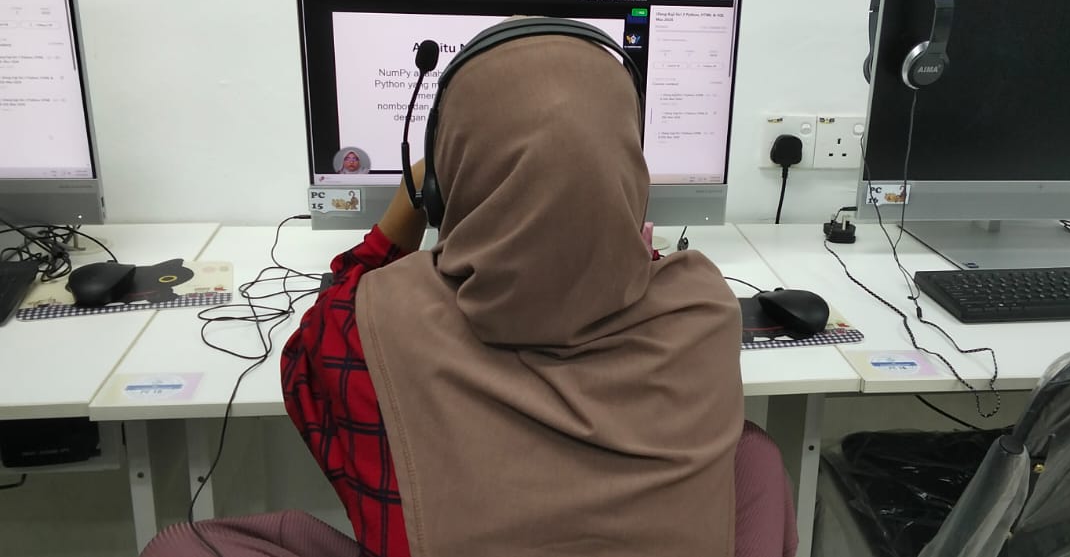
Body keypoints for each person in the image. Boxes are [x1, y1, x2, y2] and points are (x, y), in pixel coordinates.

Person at [142, 32, 796, 556]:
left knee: (179, 546)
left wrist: (405, 213)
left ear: (441, 185)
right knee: (754, 455)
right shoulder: (703, 308)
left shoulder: (366, 327)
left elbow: (304, 372)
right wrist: (593, 203)